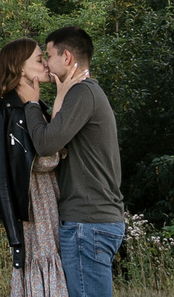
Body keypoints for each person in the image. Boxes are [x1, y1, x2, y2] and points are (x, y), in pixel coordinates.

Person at [31, 26, 125, 297]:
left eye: (48, 55)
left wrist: (32, 104)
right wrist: (59, 97)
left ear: (67, 57)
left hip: (88, 224)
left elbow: (47, 143)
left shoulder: (82, 94)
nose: (46, 63)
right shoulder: (84, 94)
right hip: (93, 223)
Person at [0, 38, 66, 297]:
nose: (45, 64)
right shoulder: (4, 111)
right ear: (20, 68)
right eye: (39, 59)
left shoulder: (37, 106)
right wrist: (14, 236)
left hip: (54, 202)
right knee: (43, 269)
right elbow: (2, 177)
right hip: (34, 208)